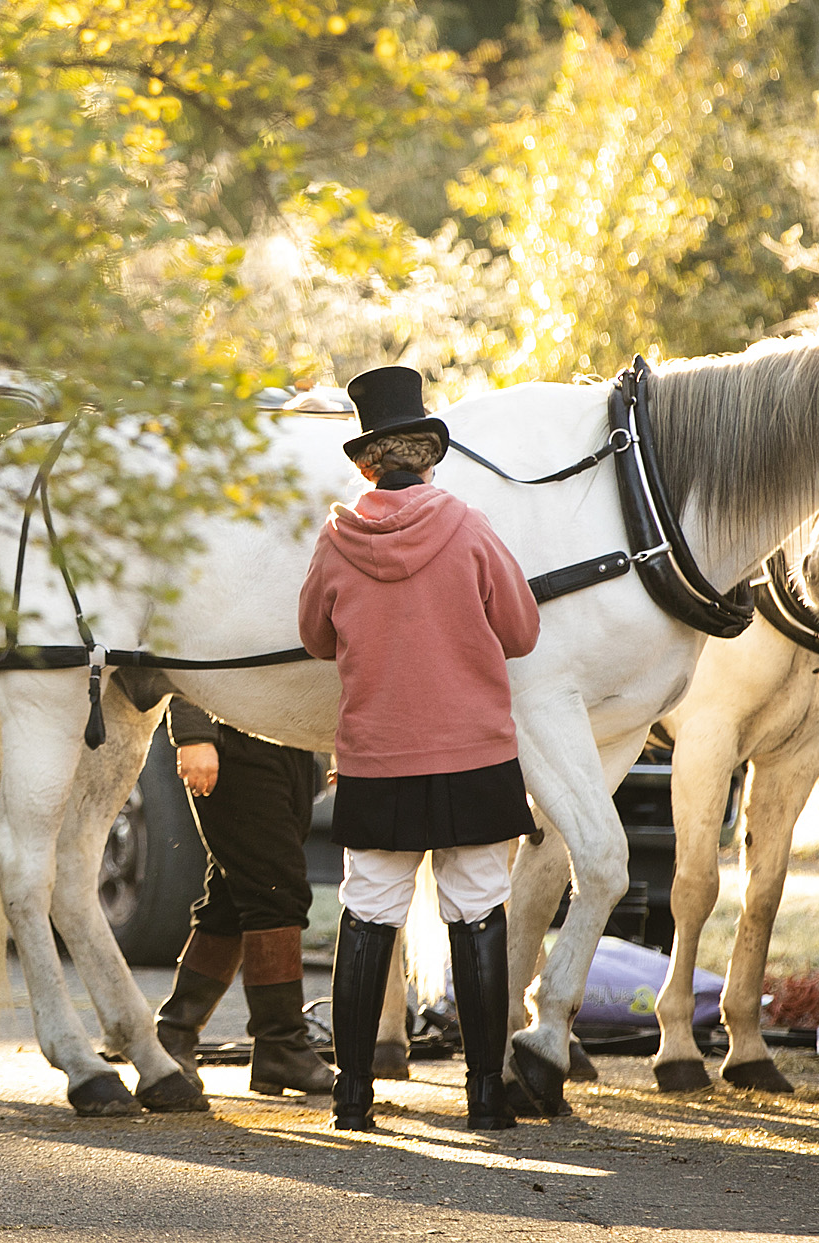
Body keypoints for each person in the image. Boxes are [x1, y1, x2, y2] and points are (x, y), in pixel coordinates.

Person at [297, 365, 539, 1134]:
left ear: (368, 463)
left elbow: (314, 637)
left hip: (377, 757)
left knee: (368, 913)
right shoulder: (469, 526)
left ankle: (352, 1099)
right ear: (428, 456)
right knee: (477, 911)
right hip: (473, 754)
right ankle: (484, 1097)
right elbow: (523, 632)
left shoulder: (337, 539)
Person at [148, 692, 335, 1098]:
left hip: (292, 741)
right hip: (232, 737)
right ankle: (281, 1045)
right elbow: (194, 638)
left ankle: (175, 1033)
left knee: (234, 896)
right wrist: (193, 733)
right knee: (275, 891)